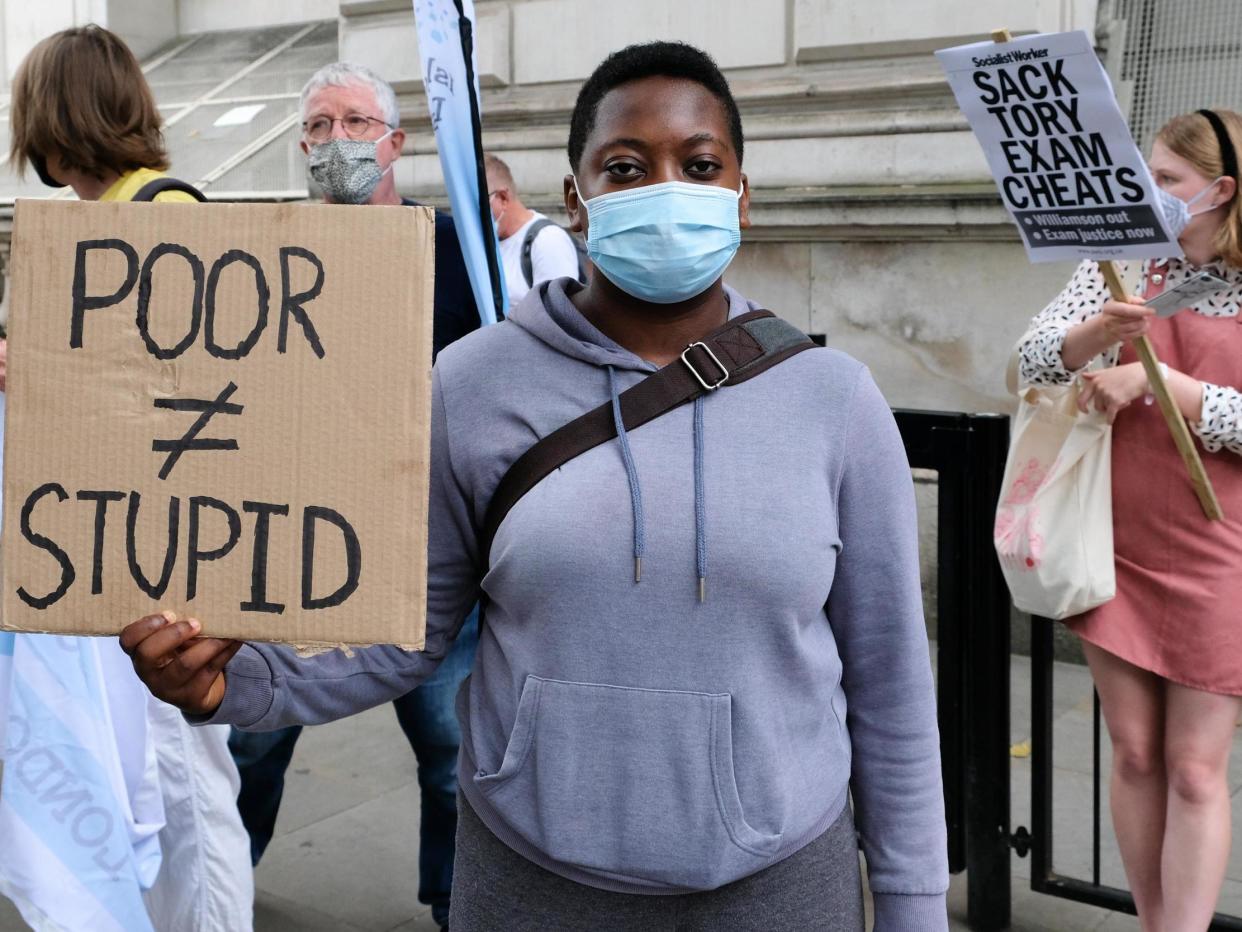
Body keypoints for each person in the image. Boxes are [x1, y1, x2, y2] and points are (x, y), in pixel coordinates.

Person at [121, 41, 949, 931]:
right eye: (626, 167)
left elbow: (892, 686)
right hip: (529, 885)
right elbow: (404, 633)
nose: (664, 188)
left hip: (781, 887)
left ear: (740, 194)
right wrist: (231, 686)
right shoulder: (472, 383)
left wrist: (911, 904)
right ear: (577, 199)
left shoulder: (835, 400)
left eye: (699, 165)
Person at [4, 24, 254, 932]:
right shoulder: (112, 220)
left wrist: (37, 369)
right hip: (127, 566)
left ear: (54, 120)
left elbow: (182, 398)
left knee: (184, 799)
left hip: (162, 577)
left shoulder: (159, 216)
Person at [224, 61, 480, 930]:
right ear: (301, 145)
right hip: (295, 541)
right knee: (252, 735)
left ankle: (454, 902)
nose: (337, 141)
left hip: (424, 550)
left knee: (449, 746)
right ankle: (215, 894)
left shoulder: (456, 254)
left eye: (357, 123)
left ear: (397, 142)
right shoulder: (272, 250)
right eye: (319, 126)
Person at [1016, 108, 1242, 931]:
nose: (1149, 191)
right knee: (1136, 753)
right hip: (1116, 545)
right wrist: (1089, 339)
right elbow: (1028, 358)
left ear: (1219, 191)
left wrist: (1162, 385)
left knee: (1192, 767)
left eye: (1168, 180)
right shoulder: (1120, 262)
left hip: (1225, 552)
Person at [485, 153, 583, 306]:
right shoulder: (489, 243)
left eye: (478, 205)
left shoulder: (548, 240)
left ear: (503, 198)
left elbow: (557, 315)